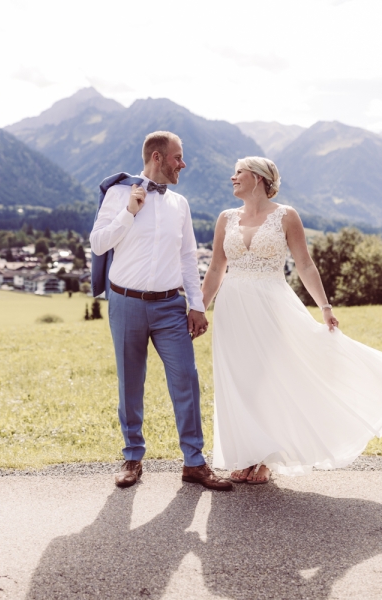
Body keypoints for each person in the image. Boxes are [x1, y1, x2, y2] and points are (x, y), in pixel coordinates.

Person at [201, 157, 382, 484]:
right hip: (232, 309)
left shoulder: (286, 216)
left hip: (271, 307)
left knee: (267, 379)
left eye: (239, 172)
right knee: (238, 380)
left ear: (258, 178)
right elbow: (217, 268)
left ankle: (265, 459)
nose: (232, 177)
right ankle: (245, 455)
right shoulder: (225, 218)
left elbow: (305, 264)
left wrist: (325, 306)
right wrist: (198, 309)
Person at [90, 131, 233, 492]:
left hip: (170, 306)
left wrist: (197, 305)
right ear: (157, 157)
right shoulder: (118, 194)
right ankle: (132, 457)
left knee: (186, 379)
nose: (182, 164)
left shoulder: (179, 204)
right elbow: (97, 243)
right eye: (177, 158)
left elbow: (188, 257)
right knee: (130, 382)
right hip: (126, 303)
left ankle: (194, 463)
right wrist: (128, 213)